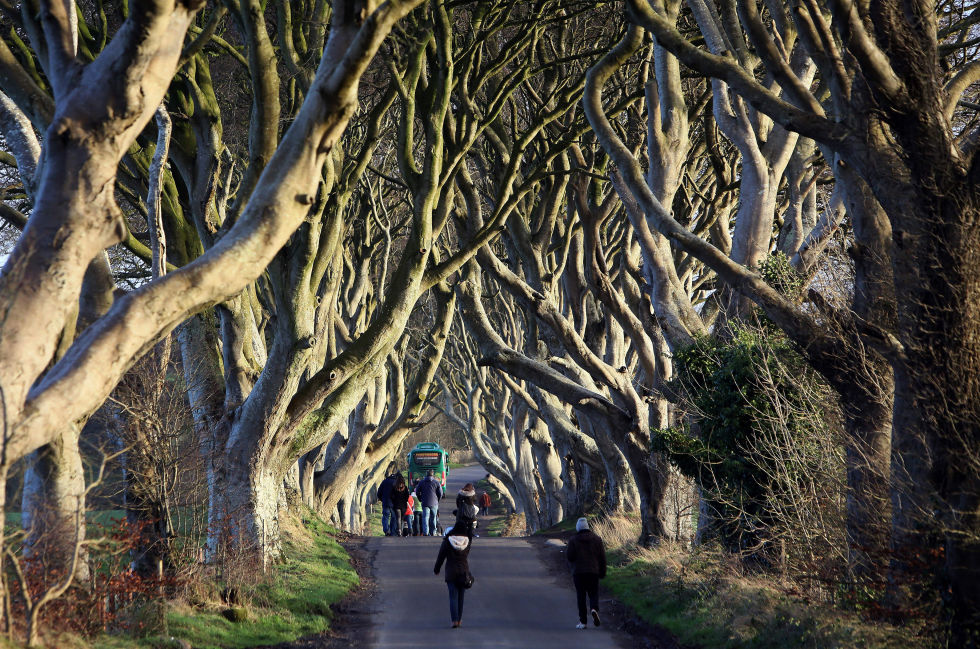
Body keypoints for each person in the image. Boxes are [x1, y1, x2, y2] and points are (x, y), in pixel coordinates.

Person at [566, 517, 606, 629]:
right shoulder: (597, 539)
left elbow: (570, 557)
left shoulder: (573, 540)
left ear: (578, 527)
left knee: (581, 596)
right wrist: (602, 571)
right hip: (593, 571)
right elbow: (602, 558)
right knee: (593, 593)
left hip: (578, 573)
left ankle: (583, 622)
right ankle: (594, 609)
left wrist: (571, 567)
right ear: (588, 527)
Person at [433, 525, 473, 628]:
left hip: (451, 571)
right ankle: (459, 620)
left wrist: (436, 569)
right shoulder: (467, 542)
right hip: (463, 572)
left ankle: (454, 620)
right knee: (461, 598)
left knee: (453, 597)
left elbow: (441, 556)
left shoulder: (447, 542)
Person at [414, 469, 443, 536]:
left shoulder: (421, 482)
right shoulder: (436, 482)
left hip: (425, 502)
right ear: (432, 474)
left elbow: (417, 492)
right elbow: (440, 493)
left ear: (426, 474)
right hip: (434, 503)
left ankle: (425, 532)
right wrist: (437, 500)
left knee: (425, 517)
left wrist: (420, 499)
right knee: (433, 517)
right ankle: (433, 532)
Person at [376, 471, 398, 536]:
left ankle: (386, 530)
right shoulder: (397, 483)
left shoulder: (384, 482)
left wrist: (382, 499)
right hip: (394, 503)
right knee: (394, 517)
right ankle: (392, 531)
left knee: (385, 517)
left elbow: (379, 493)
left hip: (385, 502)